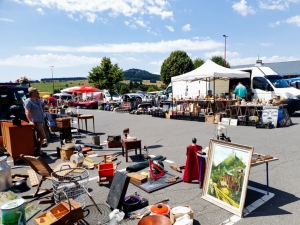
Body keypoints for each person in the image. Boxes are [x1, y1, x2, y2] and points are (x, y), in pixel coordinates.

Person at [24, 87, 46, 156]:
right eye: (36, 92)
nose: (38, 93)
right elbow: (27, 112)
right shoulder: (28, 101)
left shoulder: (38, 100)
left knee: (39, 136)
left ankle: (37, 149)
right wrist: (30, 121)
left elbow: (42, 106)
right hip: (35, 121)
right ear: (32, 93)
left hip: (41, 120)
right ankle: (38, 150)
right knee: (42, 136)